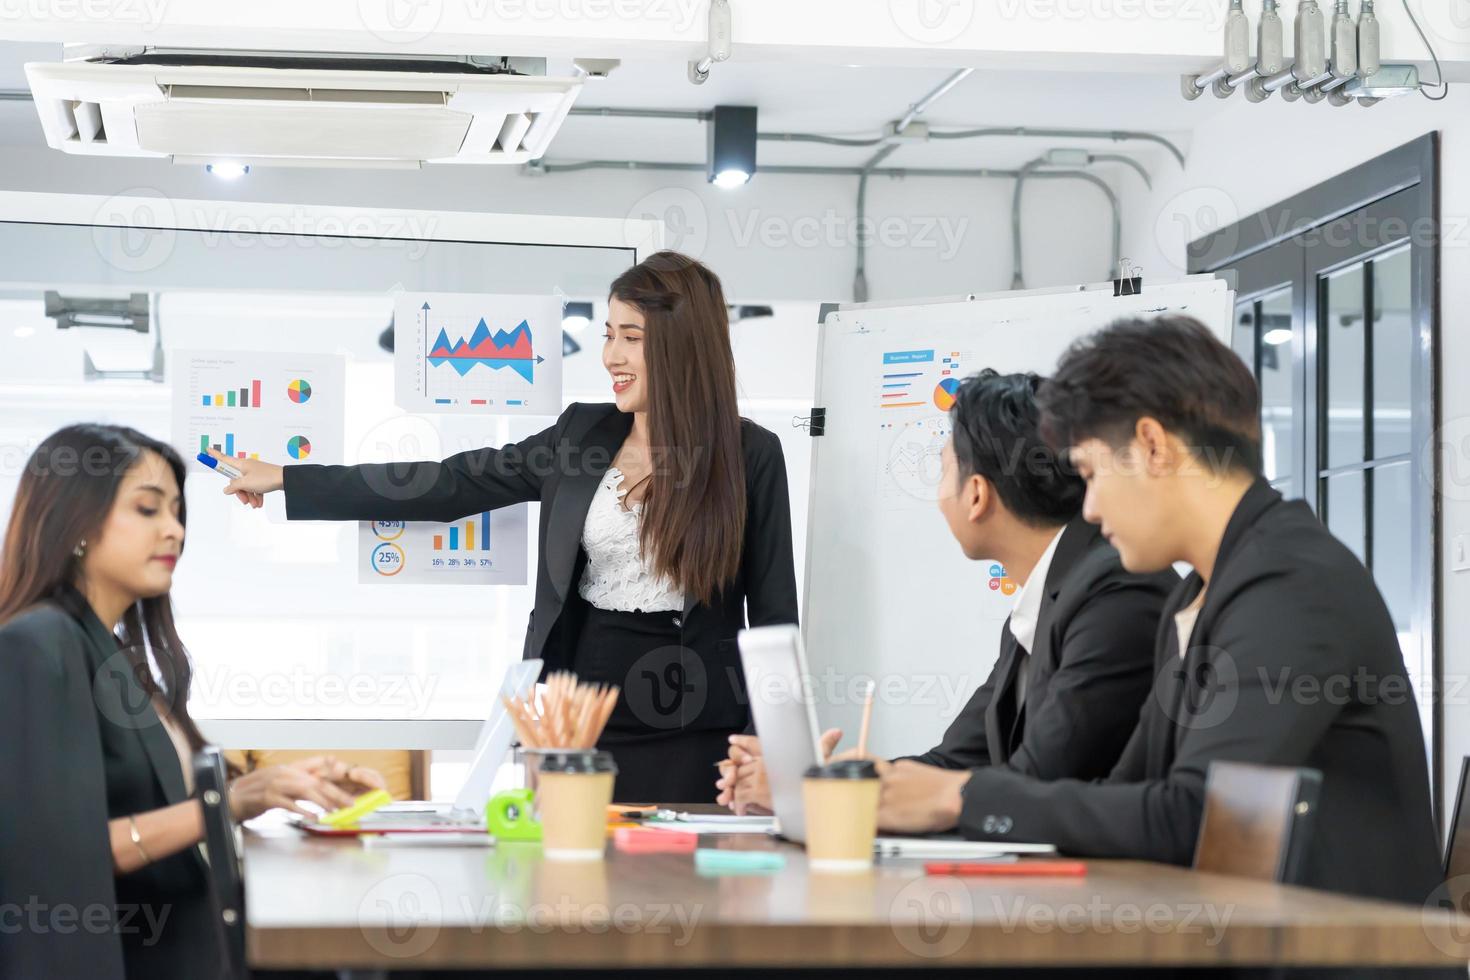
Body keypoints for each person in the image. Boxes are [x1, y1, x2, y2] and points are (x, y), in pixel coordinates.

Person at [880, 314, 1442, 907]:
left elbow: (1194, 816)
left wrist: (960, 798)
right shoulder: (1198, 591)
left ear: (1152, 446)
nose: (1089, 509)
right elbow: (1132, 791)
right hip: (1241, 932)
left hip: (1345, 953)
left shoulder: (1293, 582)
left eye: (1092, 473)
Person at [216, 251, 799, 803]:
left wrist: (765, 745)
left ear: (681, 347)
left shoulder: (751, 455)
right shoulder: (580, 435)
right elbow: (451, 483)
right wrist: (290, 479)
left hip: (700, 730)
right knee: (577, 895)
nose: (610, 357)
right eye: (607, 335)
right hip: (581, 721)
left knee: (681, 897)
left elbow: (776, 620)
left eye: (631, 338)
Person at [0, 424, 384, 980]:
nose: (174, 530)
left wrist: (286, 784)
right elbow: (59, 857)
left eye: (177, 512)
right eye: (148, 509)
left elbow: (156, 798)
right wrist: (229, 803)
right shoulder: (37, 644)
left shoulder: (110, 652)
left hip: (199, 940)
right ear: (75, 523)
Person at [717, 370, 1178, 832]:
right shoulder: (1048, 601)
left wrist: (818, 793)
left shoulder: (1117, 591)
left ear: (976, 494)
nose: (939, 497)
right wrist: (822, 782)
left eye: (943, 470)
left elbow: (1037, 779)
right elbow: (952, 763)